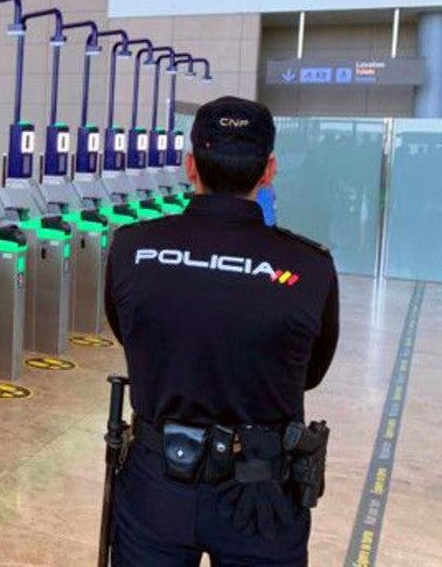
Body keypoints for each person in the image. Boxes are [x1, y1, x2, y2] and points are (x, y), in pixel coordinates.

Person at [104, 97, 339, 566]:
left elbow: (129, 334)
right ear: (268, 171)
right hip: (262, 494)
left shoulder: (133, 248)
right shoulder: (309, 267)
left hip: (156, 485)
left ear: (191, 166)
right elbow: (309, 373)